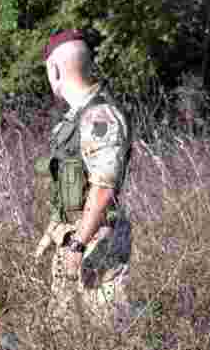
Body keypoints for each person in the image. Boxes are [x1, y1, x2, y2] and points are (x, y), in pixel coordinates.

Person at [32, 30, 134, 330]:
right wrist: (54, 233)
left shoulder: (100, 115)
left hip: (96, 240)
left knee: (105, 333)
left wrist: (78, 245)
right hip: (74, 237)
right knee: (65, 336)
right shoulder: (74, 120)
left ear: (54, 70)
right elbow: (70, 185)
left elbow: (103, 188)